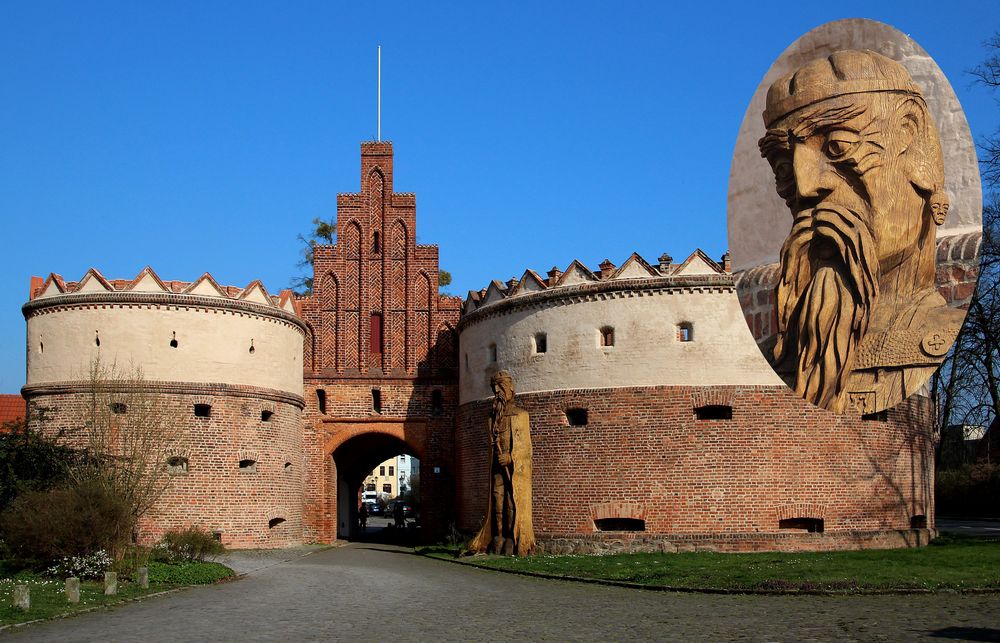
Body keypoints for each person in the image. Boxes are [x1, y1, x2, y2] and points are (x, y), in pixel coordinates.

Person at [758, 50, 965, 413]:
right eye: (784, 167)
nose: (806, 188)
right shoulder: (773, 360)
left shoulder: (949, 338)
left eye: (837, 146)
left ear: (910, 137)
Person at [469, 370, 535, 556]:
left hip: (513, 469)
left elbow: (526, 449)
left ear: (510, 389)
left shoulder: (520, 415)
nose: (497, 391)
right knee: (497, 502)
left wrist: (511, 457)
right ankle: (497, 536)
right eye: (494, 387)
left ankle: (512, 538)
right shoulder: (493, 419)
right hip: (496, 468)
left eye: (501, 386)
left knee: (511, 502)